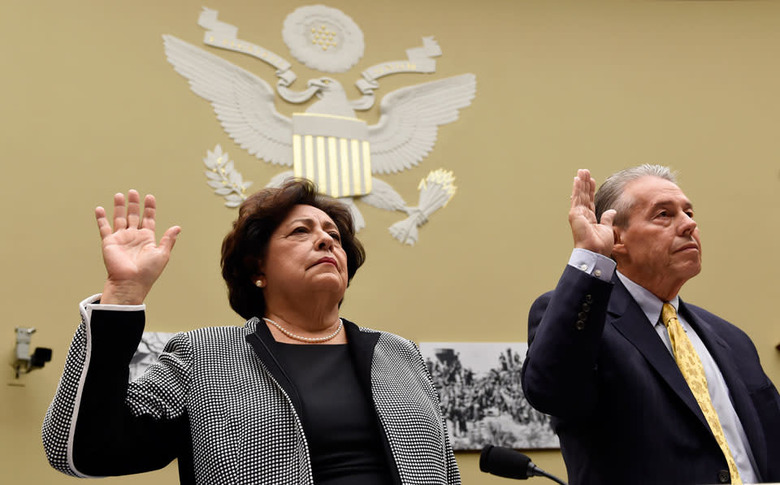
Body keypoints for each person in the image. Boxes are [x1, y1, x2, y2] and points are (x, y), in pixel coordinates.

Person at [42, 179, 460, 485]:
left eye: (333, 235)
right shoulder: (202, 356)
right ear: (257, 269)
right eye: (301, 231)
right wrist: (122, 296)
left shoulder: (399, 354)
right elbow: (82, 450)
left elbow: (446, 470)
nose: (326, 241)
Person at [521, 165, 780, 485]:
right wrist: (590, 258)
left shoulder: (733, 339)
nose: (689, 224)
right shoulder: (585, 320)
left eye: (688, 213)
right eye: (664, 215)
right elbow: (551, 392)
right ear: (616, 237)